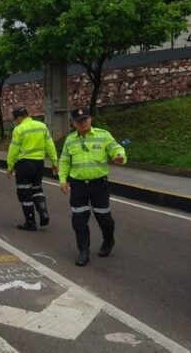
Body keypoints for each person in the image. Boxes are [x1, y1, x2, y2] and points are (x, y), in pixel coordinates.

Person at [59, 106, 127, 266]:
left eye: (85, 120)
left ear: (90, 119)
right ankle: (83, 251)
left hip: (99, 185)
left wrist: (120, 157)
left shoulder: (103, 136)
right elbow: (64, 161)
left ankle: (108, 240)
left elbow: (116, 148)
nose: (82, 123)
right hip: (78, 186)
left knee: (104, 218)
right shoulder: (70, 140)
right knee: (79, 220)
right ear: (73, 123)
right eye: (78, 121)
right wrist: (63, 180)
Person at [7, 107, 58, 231]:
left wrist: (10, 166)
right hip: (39, 164)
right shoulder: (41, 126)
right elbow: (50, 145)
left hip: (24, 165)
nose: (16, 121)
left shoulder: (19, 129)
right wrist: (54, 162)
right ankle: (43, 213)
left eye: (15, 119)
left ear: (19, 117)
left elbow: (13, 149)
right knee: (37, 189)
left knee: (25, 193)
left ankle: (30, 222)